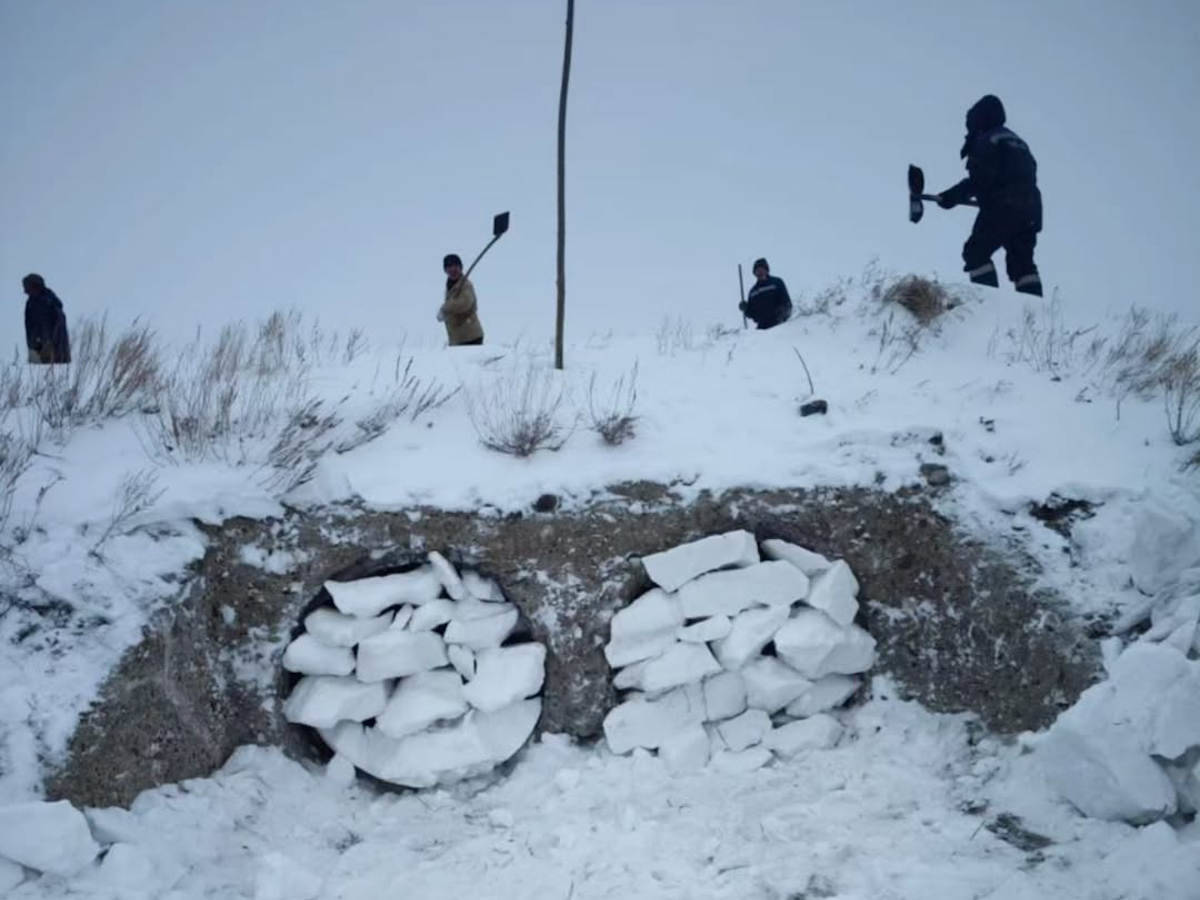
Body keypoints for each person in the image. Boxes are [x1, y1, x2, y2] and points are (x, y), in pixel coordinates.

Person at [936, 94, 1043, 297]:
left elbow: (981, 179)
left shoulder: (987, 140)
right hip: (1031, 209)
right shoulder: (1017, 142)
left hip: (1003, 206)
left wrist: (952, 196)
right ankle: (1035, 311)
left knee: (976, 253)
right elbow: (1024, 175)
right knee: (1022, 262)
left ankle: (986, 304)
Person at [22, 273, 71, 364]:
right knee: (36, 375)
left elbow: (55, 327)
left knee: (48, 374)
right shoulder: (32, 302)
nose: (25, 291)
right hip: (37, 348)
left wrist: (47, 344)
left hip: (49, 351)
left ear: (35, 286)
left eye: (27, 288)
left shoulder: (48, 302)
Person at [437, 253, 484, 346]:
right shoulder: (450, 285)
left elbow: (465, 303)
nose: (452, 270)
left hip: (471, 337)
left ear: (460, 268)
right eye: (449, 267)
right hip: (458, 338)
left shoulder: (466, 285)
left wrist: (444, 309)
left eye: (455, 266)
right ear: (445, 270)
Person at [740, 258, 792, 330]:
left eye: (762, 269)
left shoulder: (776, 283)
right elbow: (752, 314)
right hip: (762, 329)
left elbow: (787, 303)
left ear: (766, 270)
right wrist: (746, 309)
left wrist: (782, 317)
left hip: (779, 326)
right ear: (754, 273)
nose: (760, 272)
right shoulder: (753, 292)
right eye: (757, 270)